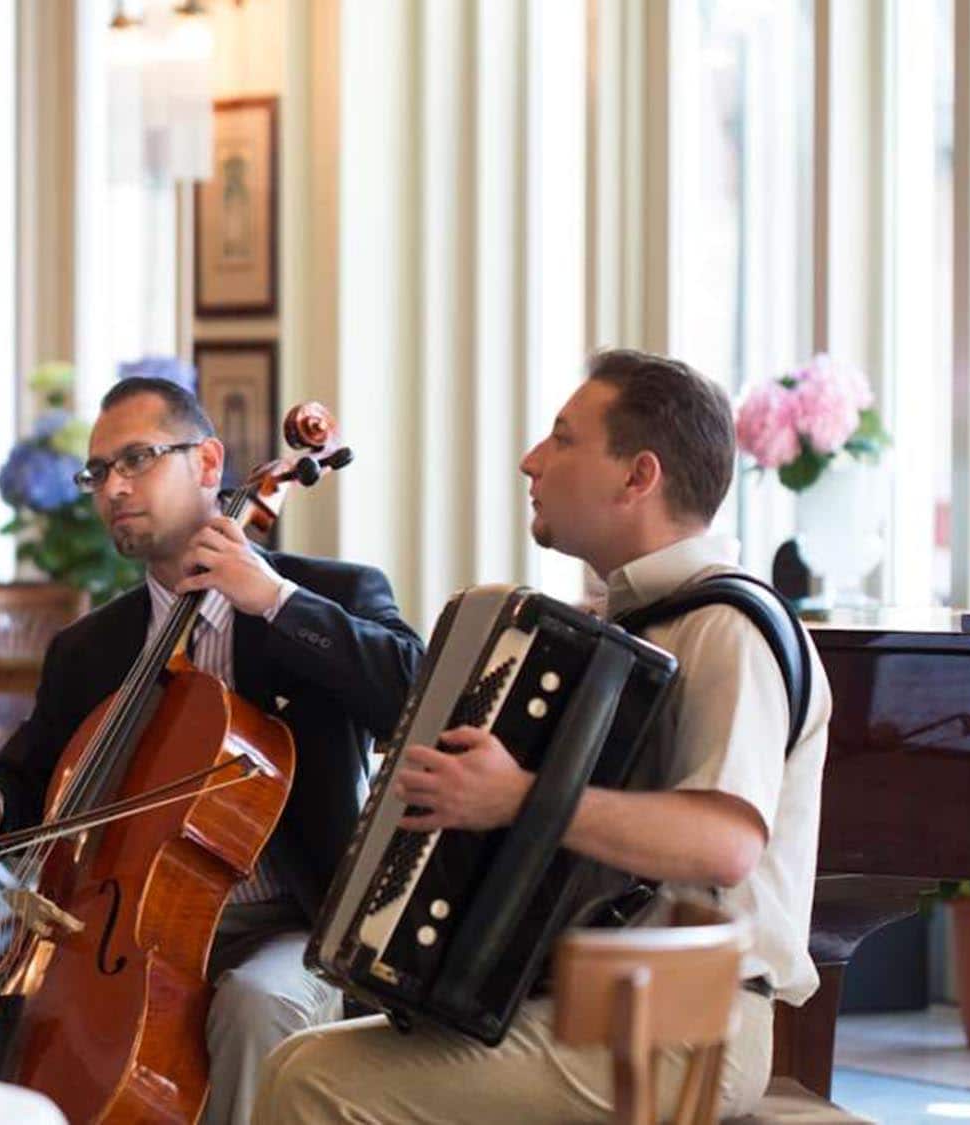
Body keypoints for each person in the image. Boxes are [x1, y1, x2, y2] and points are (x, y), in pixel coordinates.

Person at [253, 348, 829, 1123]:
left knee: (313, 1078)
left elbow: (723, 842)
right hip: (601, 1000)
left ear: (638, 477)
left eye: (562, 438)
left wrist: (517, 796)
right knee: (304, 1048)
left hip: (690, 1026)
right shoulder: (610, 629)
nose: (532, 460)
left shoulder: (727, 627)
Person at [0, 375, 426, 1125]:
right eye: (99, 471)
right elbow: (26, 770)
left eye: (138, 459)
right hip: (114, 933)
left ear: (209, 463)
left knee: (257, 1007)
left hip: (292, 923)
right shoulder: (91, 647)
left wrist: (271, 600)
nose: (114, 487)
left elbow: (416, 692)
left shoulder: (332, 593)